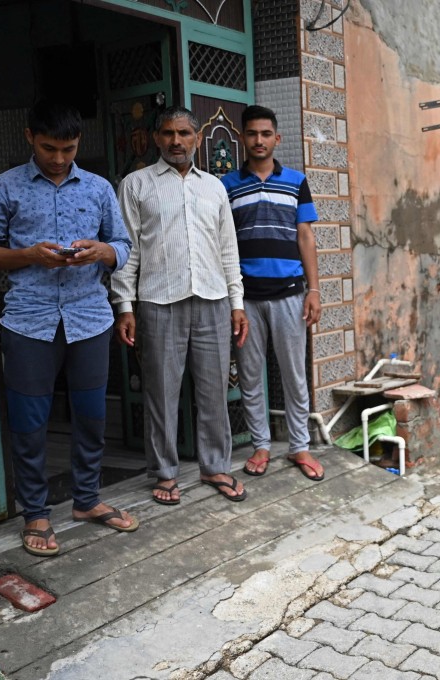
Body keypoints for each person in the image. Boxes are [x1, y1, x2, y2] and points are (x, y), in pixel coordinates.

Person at [0, 100, 137, 557]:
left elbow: (123, 246)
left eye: (69, 148)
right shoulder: (3, 188)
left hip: (89, 317)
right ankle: (36, 513)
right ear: (29, 138)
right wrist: (29, 255)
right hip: (29, 319)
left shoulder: (101, 188)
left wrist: (100, 251)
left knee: (92, 415)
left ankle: (86, 500)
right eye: (50, 148)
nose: (60, 158)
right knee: (29, 422)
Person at [111, 106, 250, 505]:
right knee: (161, 392)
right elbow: (129, 250)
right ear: (156, 138)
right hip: (158, 301)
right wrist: (124, 305)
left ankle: (215, 467)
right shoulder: (136, 185)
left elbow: (228, 250)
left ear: (197, 138)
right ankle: (165, 472)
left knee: (213, 391)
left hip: (213, 300)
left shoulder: (214, 187)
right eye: (169, 133)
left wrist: (236, 302)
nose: (177, 141)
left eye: (185, 133)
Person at [220, 105, 324, 482]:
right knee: (250, 375)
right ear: (242, 138)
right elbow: (224, 242)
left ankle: (300, 447)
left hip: (289, 295)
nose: (259, 140)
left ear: (276, 138)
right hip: (246, 299)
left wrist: (313, 289)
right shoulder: (227, 186)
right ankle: (260, 446)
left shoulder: (296, 181)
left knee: (295, 374)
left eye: (266, 134)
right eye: (252, 134)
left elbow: (306, 237)